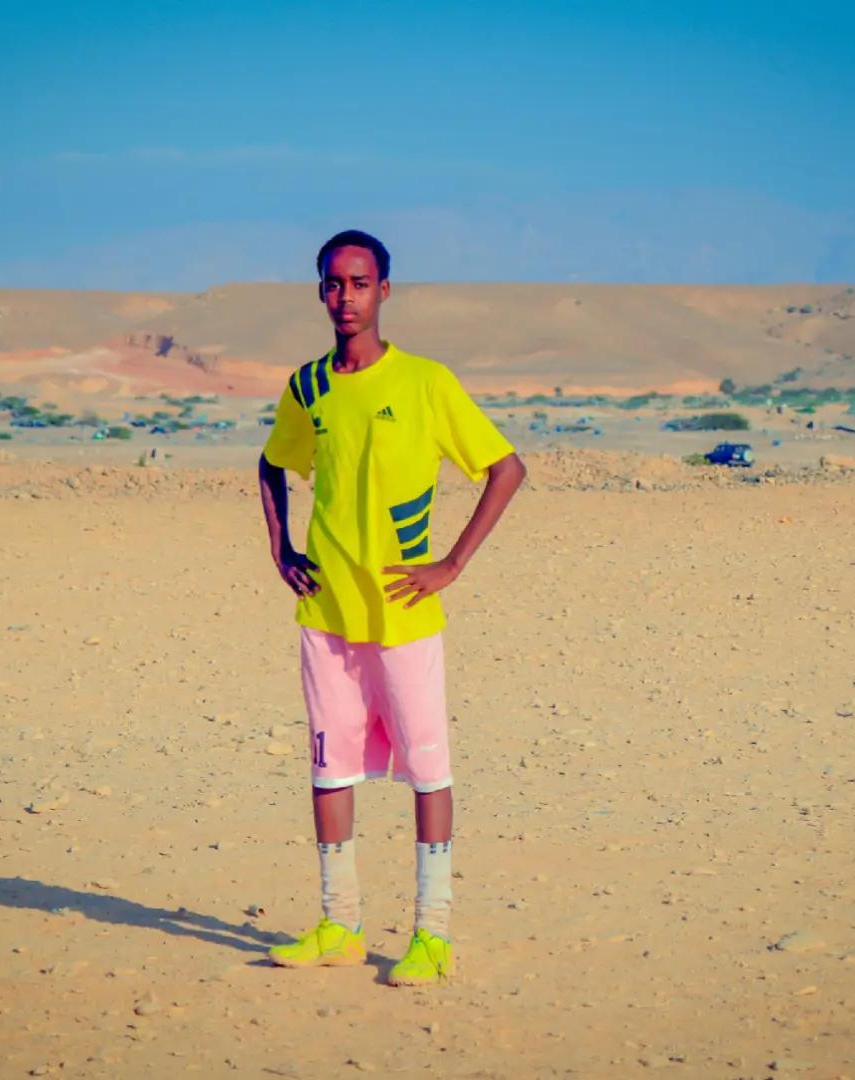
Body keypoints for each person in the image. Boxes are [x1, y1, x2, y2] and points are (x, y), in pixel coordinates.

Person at [257, 229, 526, 986]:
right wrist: (281, 550)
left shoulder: (426, 382)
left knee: (428, 774)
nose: (345, 297)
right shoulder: (308, 386)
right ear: (320, 291)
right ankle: (339, 925)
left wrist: (451, 564)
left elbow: (506, 468)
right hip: (327, 616)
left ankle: (431, 935)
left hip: (405, 615)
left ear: (384, 291)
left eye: (359, 283)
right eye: (333, 283)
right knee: (329, 770)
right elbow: (272, 464)